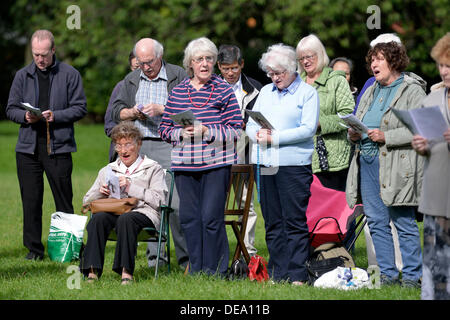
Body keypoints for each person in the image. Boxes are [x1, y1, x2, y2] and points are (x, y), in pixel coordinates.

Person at [159, 37, 243, 276]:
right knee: (189, 219)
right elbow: (164, 129)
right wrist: (181, 134)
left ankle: (215, 269)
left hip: (217, 164)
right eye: (199, 59)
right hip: (185, 165)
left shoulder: (224, 90)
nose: (204, 64)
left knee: (211, 218)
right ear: (191, 64)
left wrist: (207, 131)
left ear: (215, 62)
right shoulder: (177, 93)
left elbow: (236, 130)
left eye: (209, 59)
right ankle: (196, 269)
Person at [346, 41, 425, 287]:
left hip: (397, 164)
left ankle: (412, 278)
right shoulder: (371, 90)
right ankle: (388, 276)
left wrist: (386, 136)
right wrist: (353, 133)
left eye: (379, 59)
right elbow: (360, 120)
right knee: (377, 222)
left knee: (403, 221)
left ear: (394, 61)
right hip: (368, 161)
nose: (374, 64)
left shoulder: (412, 91)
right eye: (372, 60)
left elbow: (421, 130)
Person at [6, 29, 87, 261]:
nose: (40, 59)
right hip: (27, 149)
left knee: (63, 199)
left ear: (53, 50)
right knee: (31, 201)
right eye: (35, 54)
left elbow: (80, 107)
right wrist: (25, 117)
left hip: (58, 146)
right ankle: (34, 250)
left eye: (44, 54)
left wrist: (56, 116)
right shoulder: (22, 75)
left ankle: (68, 250)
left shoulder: (70, 74)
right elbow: (10, 108)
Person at [112, 38, 189, 270]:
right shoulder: (132, 79)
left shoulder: (179, 75)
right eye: (141, 63)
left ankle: (187, 260)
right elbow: (116, 111)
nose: (145, 67)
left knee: (175, 205)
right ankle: (156, 261)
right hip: (141, 147)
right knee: (146, 203)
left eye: (149, 62)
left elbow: (191, 113)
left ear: (160, 56)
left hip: (170, 145)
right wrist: (132, 112)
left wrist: (162, 110)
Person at [246, 43, 320, 285]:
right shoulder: (266, 91)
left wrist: (273, 137)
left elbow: (308, 129)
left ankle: (298, 274)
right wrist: (255, 135)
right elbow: (250, 124)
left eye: (278, 73)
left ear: (291, 69)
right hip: (266, 163)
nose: (274, 78)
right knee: (273, 221)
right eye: (270, 73)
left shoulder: (307, 93)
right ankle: (280, 273)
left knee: (294, 221)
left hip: (293, 165)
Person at [80, 121, 168, 284]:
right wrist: (101, 191)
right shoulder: (108, 170)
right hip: (115, 211)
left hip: (144, 214)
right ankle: (92, 272)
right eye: (119, 145)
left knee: (126, 219)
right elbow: (87, 202)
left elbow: (160, 200)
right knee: (98, 219)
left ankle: (126, 272)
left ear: (139, 144)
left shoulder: (152, 168)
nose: (123, 150)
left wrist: (131, 187)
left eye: (128, 144)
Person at [411, 33, 450, 300]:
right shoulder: (430, 101)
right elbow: (426, 147)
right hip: (436, 194)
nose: (445, 71)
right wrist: (420, 145)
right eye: (441, 65)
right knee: (436, 262)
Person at [217, 44, 263, 257]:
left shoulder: (255, 88)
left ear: (242, 65)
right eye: (225, 68)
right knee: (215, 204)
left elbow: (259, 119)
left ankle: (248, 252)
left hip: (245, 154)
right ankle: (218, 251)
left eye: (234, 68)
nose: (230, 73)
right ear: (219, 66)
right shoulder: (211, 86)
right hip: (215, 155)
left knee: (247, 205)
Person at [296, 34, 354, 192]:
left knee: (334, 212)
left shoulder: (336, 80)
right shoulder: (296, 83)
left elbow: (347, 116)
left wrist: (320, 123)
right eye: (301, 58)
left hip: (332, 160)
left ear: (320, 54)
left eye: (309, 56)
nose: (305, 61)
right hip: (301, 157)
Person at [104, 50, 139, 162]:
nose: (140, 72)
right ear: (130, 68)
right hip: (125, 155)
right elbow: (109, 126)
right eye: (135, 68)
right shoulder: (121, 87)